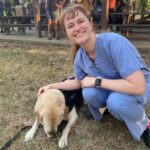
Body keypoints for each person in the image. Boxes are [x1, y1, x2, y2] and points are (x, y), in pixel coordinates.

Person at [38, 4, 150, 148]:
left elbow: (138, 86)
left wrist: (97, 81)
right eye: (70, 25)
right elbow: (79, 82)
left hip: (143, 87)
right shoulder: (80, 57)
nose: (77, 28)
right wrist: (51, 86)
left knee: (116, 101)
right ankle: (109, 109)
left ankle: (145, 124)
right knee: (88, 93)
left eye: (80, 21)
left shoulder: (113, 42)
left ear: (90, 23)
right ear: (67, 33)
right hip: (115, 87)